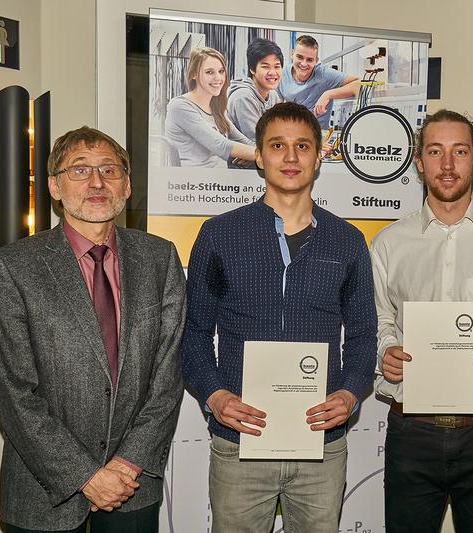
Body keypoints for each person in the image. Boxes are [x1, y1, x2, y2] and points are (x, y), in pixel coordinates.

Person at [181, 102, 377, 533]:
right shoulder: (219, 234)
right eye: (277, 146)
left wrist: (349, 393)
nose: (290, 158)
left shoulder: (347, 241)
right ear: (260, 155)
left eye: (302, 146)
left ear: (319, 154)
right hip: (240, 442)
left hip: (321, 448)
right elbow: (193, 332)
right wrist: (214, 396)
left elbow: (364, 335)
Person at [0, 126, 186, 532]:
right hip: (42, 492)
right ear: (55, 187)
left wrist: (127, 463)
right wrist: (87, 477)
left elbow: (167, 377)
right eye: (79, 170)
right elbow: (14, 394)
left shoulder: (159, 258)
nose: (96, 182)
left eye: (109, 170)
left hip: (134, 486)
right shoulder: (12, 268)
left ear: (127, 185)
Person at [371, 109, 473, 533]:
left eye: (459, 152)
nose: (447, 165)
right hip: (411, 433)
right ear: (418, 161)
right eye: (435, 152)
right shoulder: (388, 243)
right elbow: (379, 319)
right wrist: (385, 351)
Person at [164, 47, 255, 167]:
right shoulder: (179, 106)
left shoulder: (216, 110)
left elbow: (246, 143)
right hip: (192, 183)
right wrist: (261, 155)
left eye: (221, 71)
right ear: (193, 75)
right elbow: (222, 146)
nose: (218, 78)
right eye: (209, 72)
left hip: (219, 183)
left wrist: (252, 154)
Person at [277, 35, 360, 129]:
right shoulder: (281, 74)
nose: (304, 64)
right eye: (300, 57)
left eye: (310, 60)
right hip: (292, 131)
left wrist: (328, 94)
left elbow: (358, 84)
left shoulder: (323, 74)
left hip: (318, 134)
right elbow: (276, 109)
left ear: (316, 61)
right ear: (292, 54)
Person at [227, 38, 284, 143]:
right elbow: (258, 140)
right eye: (265, 67)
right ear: (252, 69)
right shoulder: (243, 96)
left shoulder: (273, 95)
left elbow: (283, 131)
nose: (272, 72)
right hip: (238, 157)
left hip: (257, 155)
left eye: (277, 66)